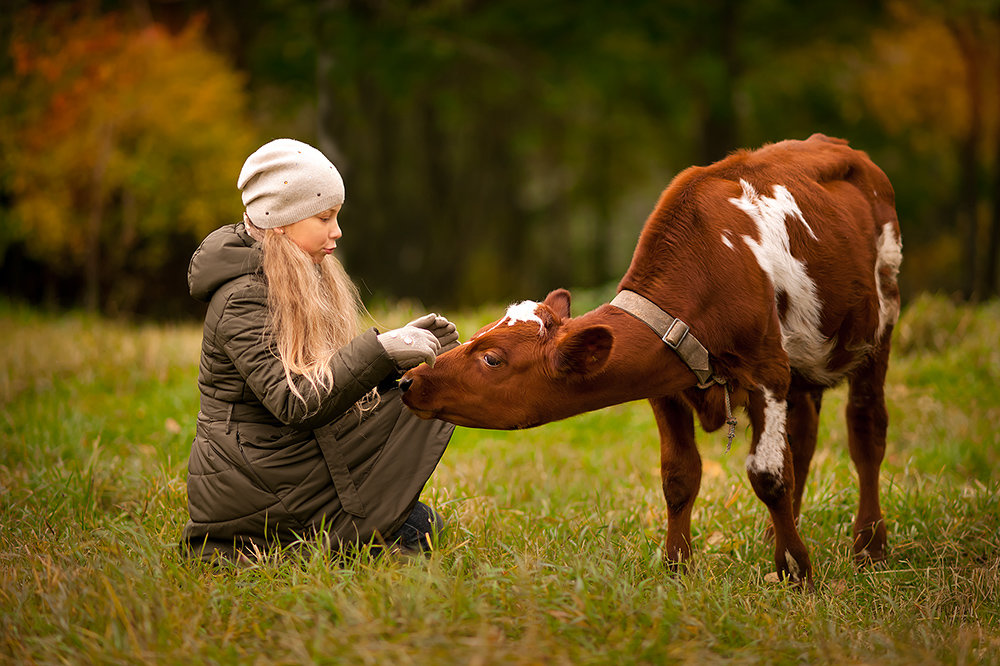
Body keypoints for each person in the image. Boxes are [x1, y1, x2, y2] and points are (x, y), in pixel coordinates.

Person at [180, 138, 459, 563]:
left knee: (424, 523)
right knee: (417, 538)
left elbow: (328, 378)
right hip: (257, 486)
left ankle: (353, 531)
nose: (337, 231)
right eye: (325, 217)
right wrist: (381, 350)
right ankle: (286, 548)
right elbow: (295, 401)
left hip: (290, 465)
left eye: (337, 216)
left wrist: (394, 362)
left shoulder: (295, 271)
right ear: (281, 223)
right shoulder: (242, 299)